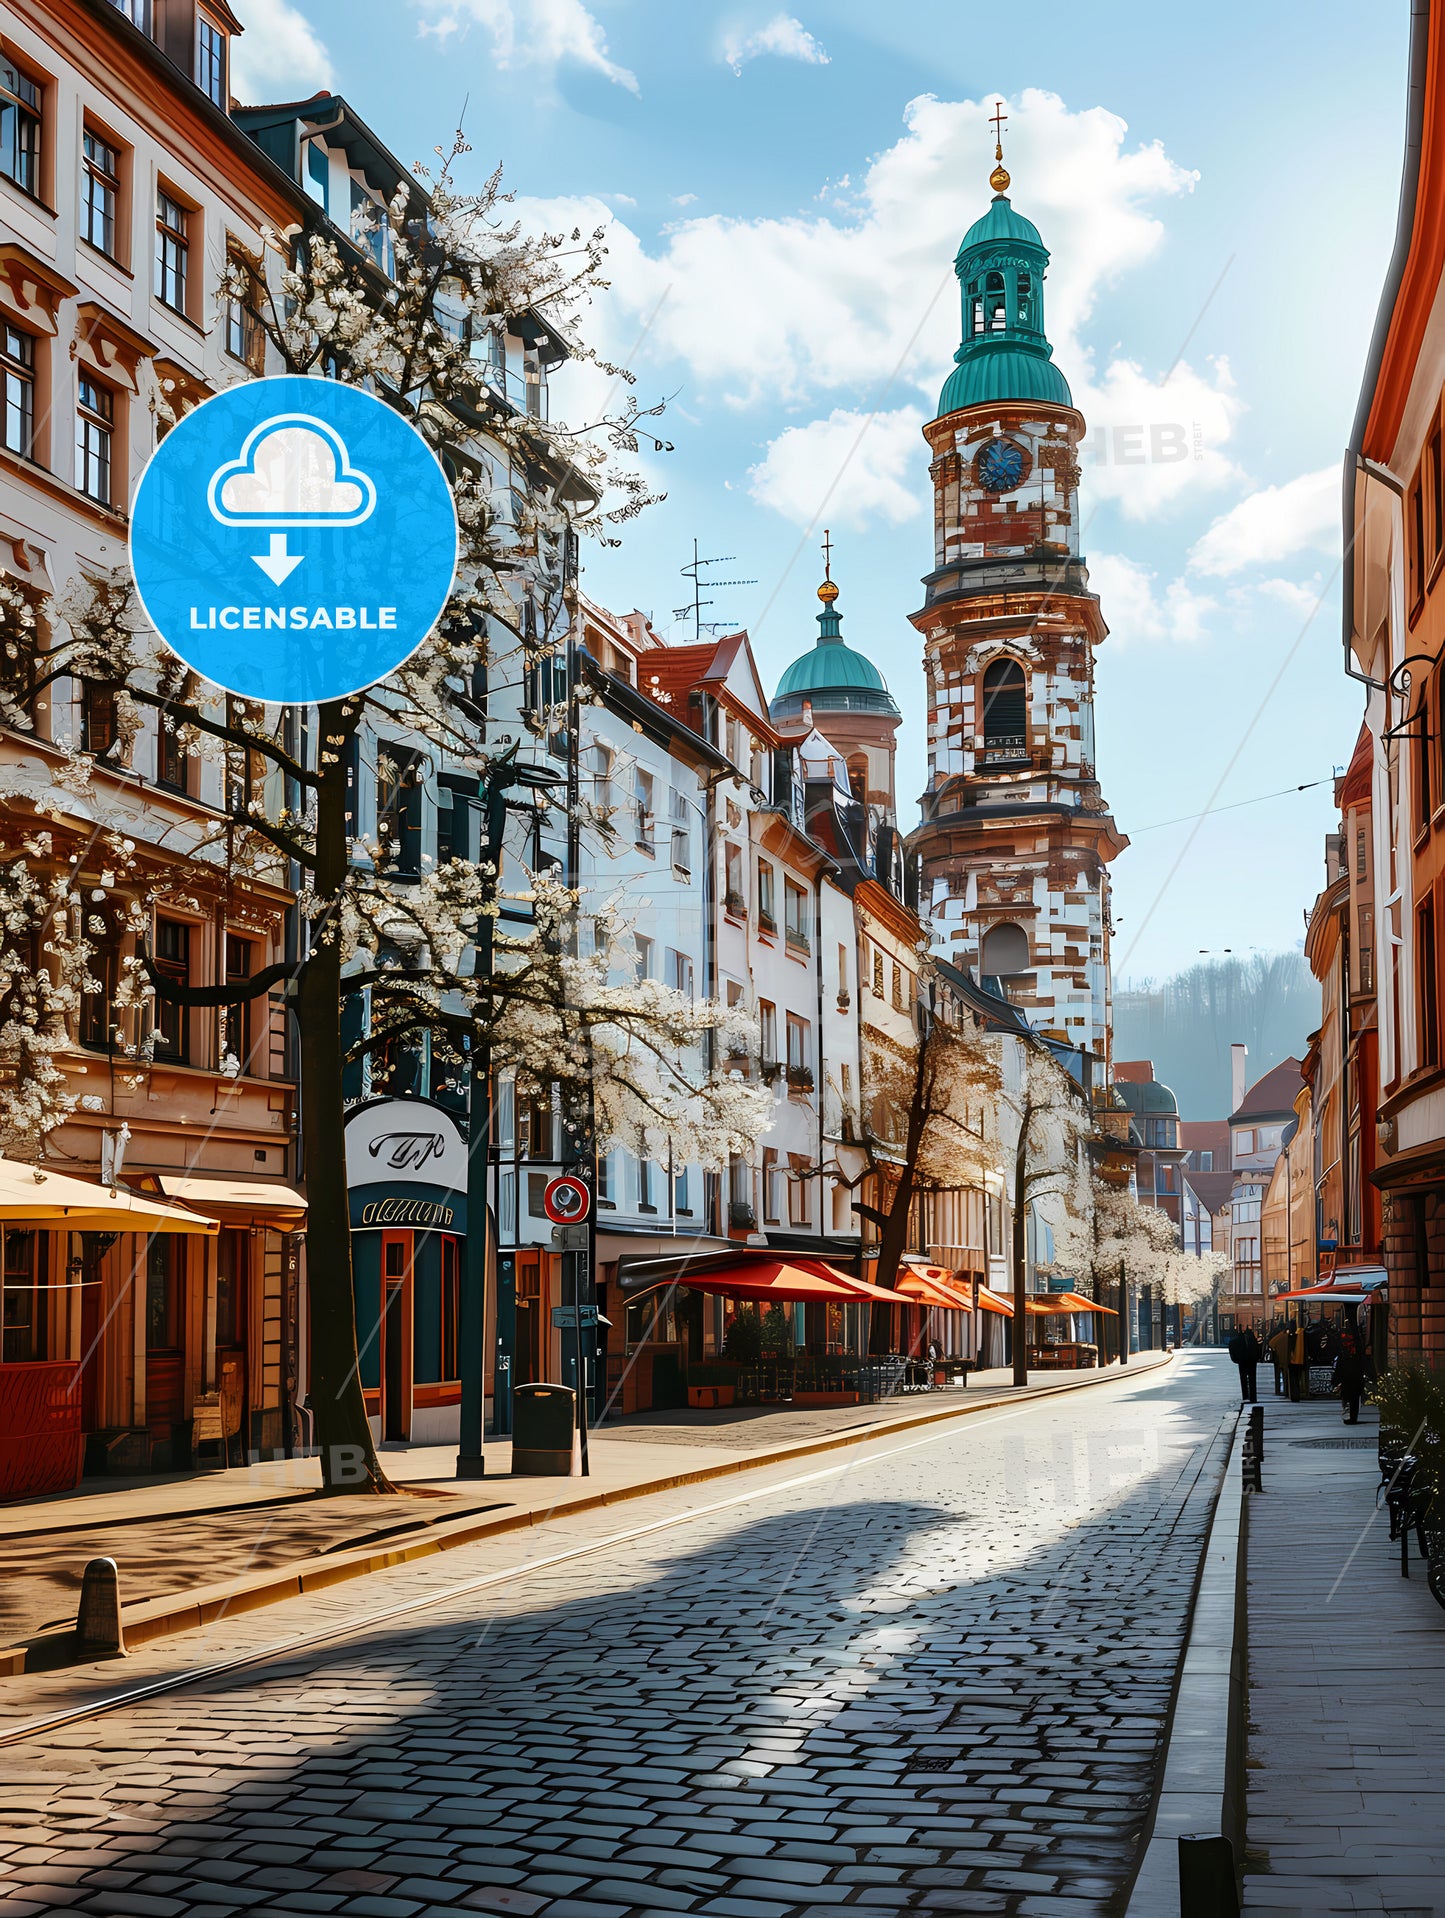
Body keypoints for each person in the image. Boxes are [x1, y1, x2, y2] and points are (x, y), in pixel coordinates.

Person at [1332, 1327, 1367, 1425]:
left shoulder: (1344, 1348)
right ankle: (1352, 1417)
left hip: (1348, 1375)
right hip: (1354, 1375)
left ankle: (1350, 1416)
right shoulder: (1357, 1346)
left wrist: (1336, 1378)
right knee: (1354, 1398)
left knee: (1348, 1397)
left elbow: (1340, 1365)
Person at [1227, 1324, 1262, 1402]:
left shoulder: (1236, 1340)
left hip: (1242, 1361)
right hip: (1251, 1361)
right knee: (1252, 1379)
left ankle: (1245, 1396)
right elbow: (1258, 1350)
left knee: (1243, 1379)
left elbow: (1232, 1348)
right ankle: (1252, 1397)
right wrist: (1258, 1357)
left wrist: (1236, 1359)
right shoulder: (1253, 1339)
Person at [1267, 1322, 1291, 1395]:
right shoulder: (1288, 1336)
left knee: (1278, 1376)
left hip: (1278, 1359)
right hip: (1287, 1359)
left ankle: (1278, 1391)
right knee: (1286, 1376)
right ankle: (1286, 1390)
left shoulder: (1278, 1336)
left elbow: (1271, 1343)